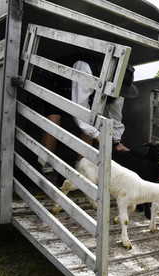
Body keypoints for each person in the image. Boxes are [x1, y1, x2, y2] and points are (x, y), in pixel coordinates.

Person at [38, 54, 139, 183]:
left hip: (87, 91)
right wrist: (100, 138)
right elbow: (81, 113)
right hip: (59, 84)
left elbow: (115, 116)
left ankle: (81, 169)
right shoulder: (85, 69)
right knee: (54, 119)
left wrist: (117, 142)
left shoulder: (120, 85)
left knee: (93, 123)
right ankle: (47, 166)